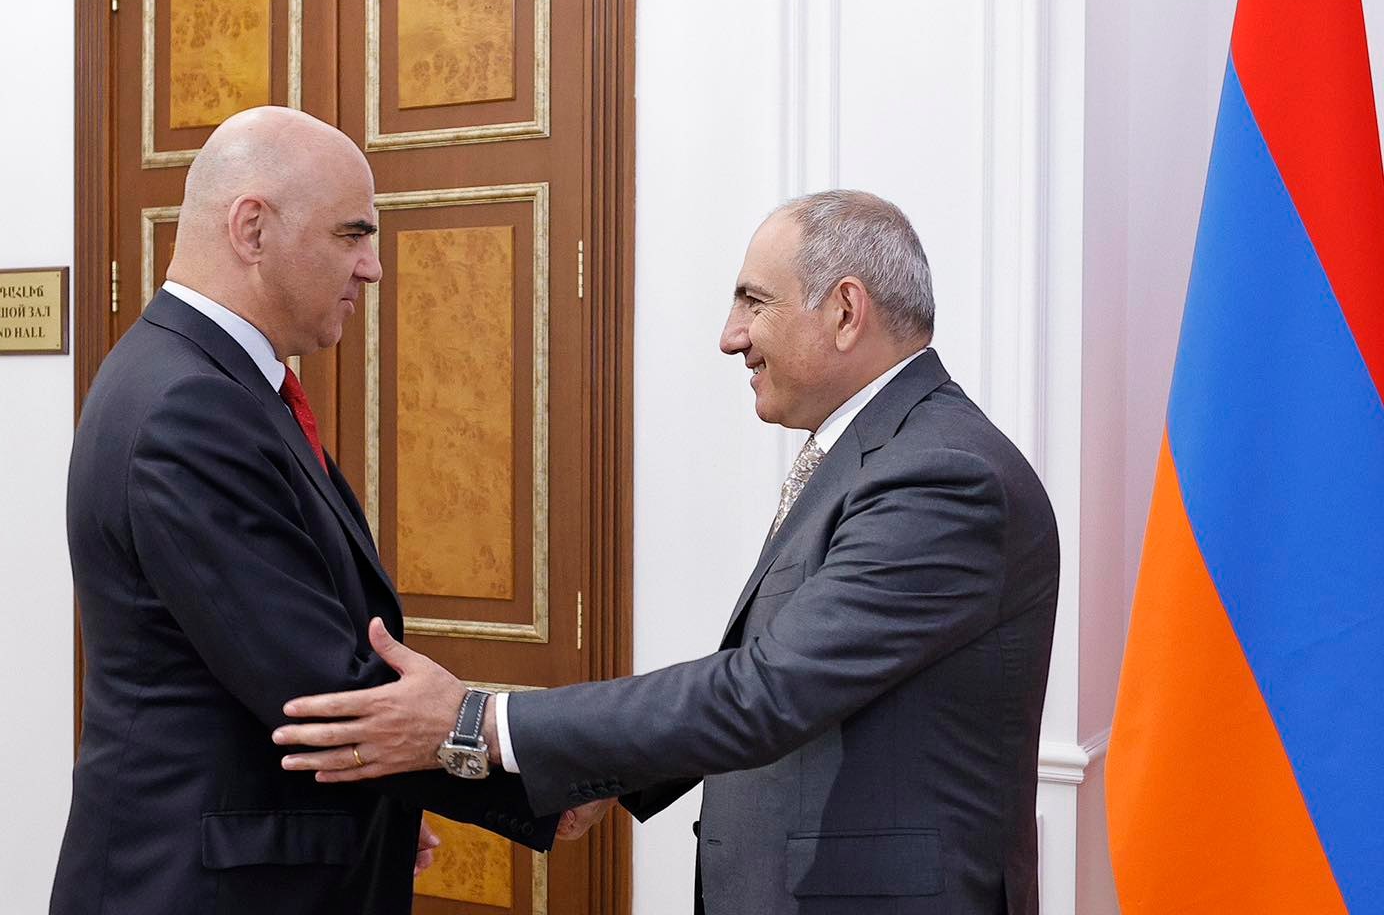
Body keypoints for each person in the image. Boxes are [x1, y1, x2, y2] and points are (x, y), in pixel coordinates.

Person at [273, 190, 1061, 914]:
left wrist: (477, 721)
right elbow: (803, 669)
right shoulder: (883, 452)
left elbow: (770, 690)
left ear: (846, 311)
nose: (731, 336)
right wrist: (611, 775)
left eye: (754, 301)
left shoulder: (941, 476)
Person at [51, 106, 555, 915]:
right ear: (252, 229)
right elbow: (319, 691)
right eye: (352, 236)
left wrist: (384, 807)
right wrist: (549, 776)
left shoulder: (197, 377)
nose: (373, 269)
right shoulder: (191, 405)